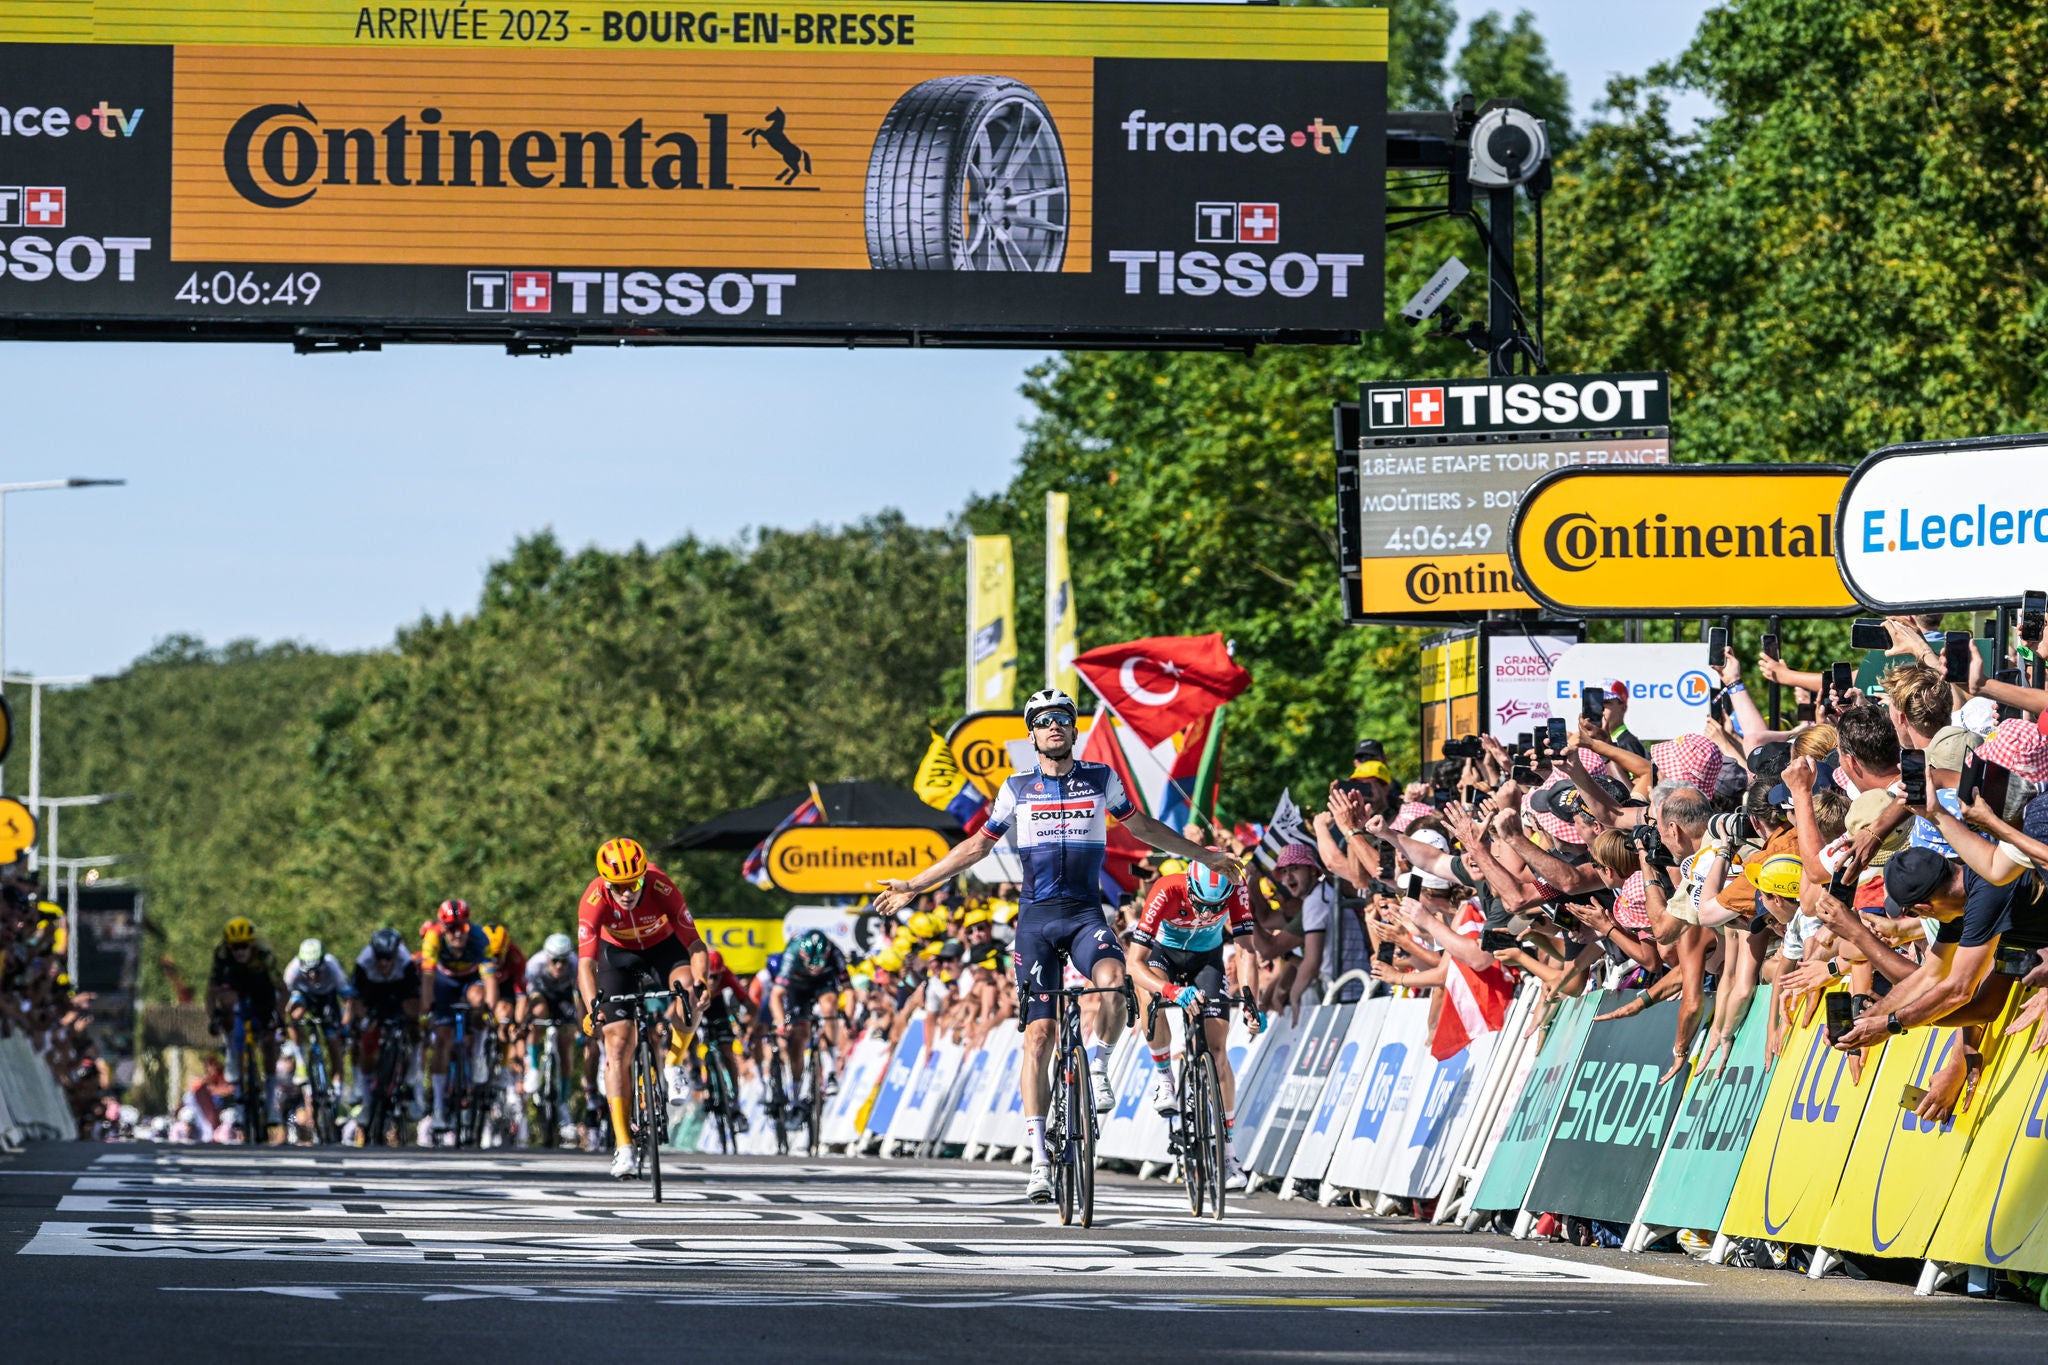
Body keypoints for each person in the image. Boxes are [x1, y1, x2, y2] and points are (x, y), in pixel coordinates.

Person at [872, 686, 1241, 1205]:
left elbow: (1147, 829)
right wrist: (915, 884)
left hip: (1085, 914)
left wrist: (1205, 854)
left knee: (1114, 983)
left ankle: (1099, 1063)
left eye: (1063, 719)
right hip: (1037, 922)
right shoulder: (1016, 788)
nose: (1054, 727)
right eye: (1043, 721)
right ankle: (1040, 1160)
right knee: (1039, 1036)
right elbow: (977, 846)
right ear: (1032, 733)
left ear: (1072, 728)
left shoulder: (1100, 779)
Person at [1125, 858, 1260, 1189]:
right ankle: (1164, 1078)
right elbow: (1134, 962)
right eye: (1200, 903)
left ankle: (1228, 1154)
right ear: (1189, 886)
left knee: (1217, 1052)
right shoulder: (1166, 888)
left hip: (1207, 959)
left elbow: (1245, 950)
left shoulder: (1237, 886)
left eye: (1214, 907)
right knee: (1149, 996)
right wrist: (1170, 990)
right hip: (1163, 956)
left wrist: (1251, 1002)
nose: (1204, 912)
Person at [576, 836, 706, 1179]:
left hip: (663, 947)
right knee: (617, 1044)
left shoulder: (662, 886)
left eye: (633, 883)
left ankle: (675, 1064)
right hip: (615, 956)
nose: (627, 893)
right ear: (606, 883)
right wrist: (593, 1008)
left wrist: (702, 981)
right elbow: (585, 965)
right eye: (618, 886)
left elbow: (694, 943)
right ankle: (623, 1146)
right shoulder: (592, 901)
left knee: (689, 992)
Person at [417, 898, 501, 1141]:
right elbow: (427, 979)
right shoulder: (432, 938)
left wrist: (491, 1012)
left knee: (479, 999)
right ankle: (440, 1107)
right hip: (443, 983)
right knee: (442, 1040)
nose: (456, 934)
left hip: (468, 982)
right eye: (450, 929)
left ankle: (477, 1055)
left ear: (468, 926)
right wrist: (426, 1012)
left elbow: (491, 981)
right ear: (442, 928)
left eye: (461, 928)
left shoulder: (479, 938)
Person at [206, 917, 282, 1110]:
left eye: (244, 946)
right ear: (229, 946)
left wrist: (279, 1017)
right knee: (226, 1002)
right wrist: (214, 1016)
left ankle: (271, 1102)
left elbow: (282, 989)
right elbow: (211, 990)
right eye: (235, 947)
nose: (240, 951)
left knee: (269, 1043)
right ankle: (232, 1050)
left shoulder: (264, 953)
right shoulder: (222, 955)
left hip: (261, 990)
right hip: (236, 986)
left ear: (251, 944)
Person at [770, 929, 852, 1107]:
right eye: (810, 964)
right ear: (802, 955)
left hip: (824, 984)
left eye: (819, 963)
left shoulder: (835, 952)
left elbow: (849, 989)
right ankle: (796, 1094)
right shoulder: (791, 953)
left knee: (830, 1008)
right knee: (799, 1036)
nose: (814, 968)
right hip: (798, 988)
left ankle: (831, 1072)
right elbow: (776, 995)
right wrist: (780, 1023)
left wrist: (850, 1019)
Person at [350, 927, 421, 1112]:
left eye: (388, 958)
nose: (383, 962)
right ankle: (365, 1100)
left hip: (399, 993)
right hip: (373, 994)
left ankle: (412, 1079)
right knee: (365, 1037)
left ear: (396, 952)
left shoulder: (406, 962)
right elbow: (356, 1000)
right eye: (379, 957)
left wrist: (412, 1017)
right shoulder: (364, 961)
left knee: (416, 1026)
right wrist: (364, 1019)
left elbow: (414, 999)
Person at [520, 932, 581, 1105]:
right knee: (537, 1012)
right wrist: (525, 1020)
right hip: (542, 995)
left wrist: (581, 1026)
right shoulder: (534, 964)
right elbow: (525, 996)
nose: (559, 966)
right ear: (547, 957)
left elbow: (580, 998)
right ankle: (533, 1066)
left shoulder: (575, 964)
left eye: (563, 960)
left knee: (566, 1044)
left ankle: (562, 1102)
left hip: (564, 998)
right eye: (555, 960)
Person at [282, 938, 352, 1086]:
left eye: (317, 971)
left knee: (334, 1041)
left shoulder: (332, 965)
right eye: (308, 972)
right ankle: (301, 1061)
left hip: (327, 998)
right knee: (294, 1015)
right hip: (304, 995)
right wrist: (283, 1024)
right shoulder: (292, 970)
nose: (313, 976)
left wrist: (345, 1025)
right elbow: (283, 1000)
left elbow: (348, 999)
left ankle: (337, 1087)